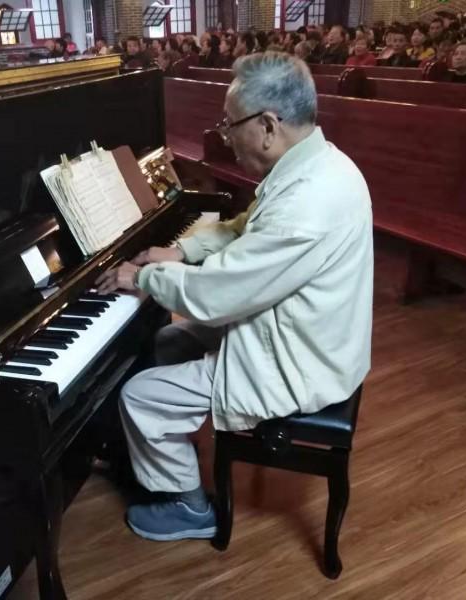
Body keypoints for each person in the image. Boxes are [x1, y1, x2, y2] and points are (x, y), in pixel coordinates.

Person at [95, 52, 373, 542]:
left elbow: (216, 294)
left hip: (299, 363)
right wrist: (181, 249)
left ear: (267, 125)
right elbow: (247, 228)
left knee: (140, 396)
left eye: (229, 124)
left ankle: (190, 506)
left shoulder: (308, 202)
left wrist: (142, 277)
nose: (224, 136)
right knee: (166, 344)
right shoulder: (317, 163)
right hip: (303, 331)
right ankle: (159, 446)